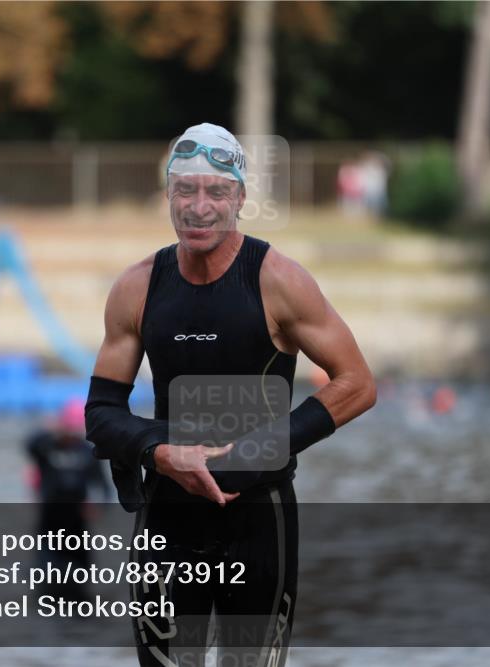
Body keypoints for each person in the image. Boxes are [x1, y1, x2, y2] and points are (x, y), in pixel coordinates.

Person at [85, 123, 376, 666]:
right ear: (168, 195)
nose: (199, 207)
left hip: (259, 520)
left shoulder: (278, 280)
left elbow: (357, 383)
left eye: (216, 191)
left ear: (240, 198)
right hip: (167, 520)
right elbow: (100, 415)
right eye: (185, 190)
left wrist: (256, 450)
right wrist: (160, 450)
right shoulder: (137, 287)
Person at [25, 397, 112, 598]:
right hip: (50, 520)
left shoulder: (86, 452)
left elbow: (103, 486)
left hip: (76, 522)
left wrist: (99, 507)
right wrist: (49, 430)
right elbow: (29, 445)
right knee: (47, 576)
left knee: (81, 577)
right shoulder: (46, 447)